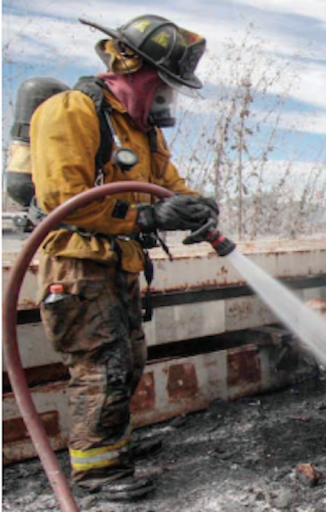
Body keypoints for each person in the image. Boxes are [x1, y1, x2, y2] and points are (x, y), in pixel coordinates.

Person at [30, 14, 218, 501]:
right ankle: (95, 476)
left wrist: (195, 203)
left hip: (118, 264)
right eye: (164, 84)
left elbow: (165, 183)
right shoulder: (72, 111)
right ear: (133, 69)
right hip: (78, 267)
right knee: (101, 368)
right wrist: (150, 219)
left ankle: (113, 448)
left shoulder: (140, 129)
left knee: (129, 360)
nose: (168, 97)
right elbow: (63, 199)